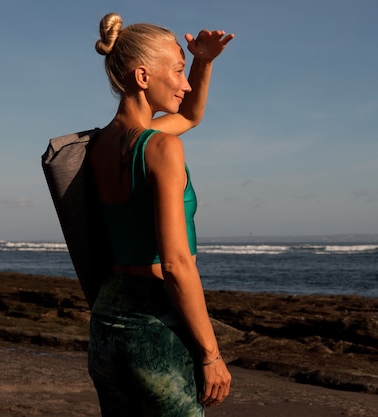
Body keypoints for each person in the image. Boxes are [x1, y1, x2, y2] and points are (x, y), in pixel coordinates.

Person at [86, 12, 233, 417]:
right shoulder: (161, 149)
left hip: (106, 321)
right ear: (143, 77)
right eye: (179, 70)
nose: (186, 84)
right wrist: (210, 354)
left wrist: (203, 61)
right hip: (154, 326)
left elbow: (190, 116)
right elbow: (175, 262)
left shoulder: (96, 146)